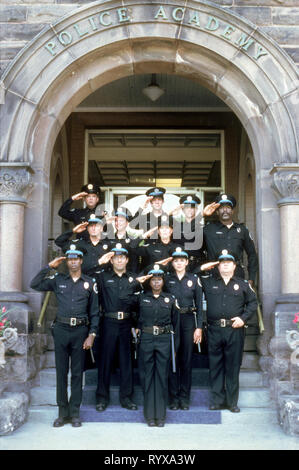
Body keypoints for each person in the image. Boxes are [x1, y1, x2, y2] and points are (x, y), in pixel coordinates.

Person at [30, 243, 99, 427]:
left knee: (77, 373)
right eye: (70, 259)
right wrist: (49, 267)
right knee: (61, 373)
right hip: (61, 330)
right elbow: (34, 284)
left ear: (81, 261)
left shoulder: (90, 283)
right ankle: (62, 413)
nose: (73, 262)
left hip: (80, 332)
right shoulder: (58, 279)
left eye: (76, 259)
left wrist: (92, 334)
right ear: (67, 261)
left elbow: (94, 312)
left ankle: (75, 413)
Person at [199, 250, 257, 412]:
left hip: (234, 330)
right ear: (217, 266)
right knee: (215, 365)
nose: (224, 265)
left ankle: (232, 402)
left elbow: (253, 303)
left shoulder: (243, 284)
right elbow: (194, 274)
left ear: (234, 266)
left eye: (228, 263)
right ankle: (217, 400)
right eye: (221, 263)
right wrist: (207, 266)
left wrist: (243, 318)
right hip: (214, 329)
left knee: (232, 366)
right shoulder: (209, 282)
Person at [94, 244, 141, 412]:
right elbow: (86, 274)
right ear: (111, 260)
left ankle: (126, 398)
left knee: (126, 361)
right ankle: (101, 398)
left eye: (122, 257)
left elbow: (138, 304)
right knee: (105, 360)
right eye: (116, 257)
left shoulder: (134, 279)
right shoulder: (103, 277)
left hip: (127, 324)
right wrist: (99, 262)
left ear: (127, 260)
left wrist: (135, 325)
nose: (119, 260)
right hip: (108, 322)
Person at [133, 265, 180, 427]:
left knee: (161, 377)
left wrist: (175, 348)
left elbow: (177, 324)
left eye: (159, 279)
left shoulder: (170, 299)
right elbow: (133, 314)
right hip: (146, 339)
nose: (156, 282)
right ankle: (149, 417)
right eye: (153, 279)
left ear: (163, 281)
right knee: (147, 377)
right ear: (149, 281)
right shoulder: (141, 298)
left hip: (164, 340)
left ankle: (160, 416)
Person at [164, 247, 203, 410]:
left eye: (182, 260)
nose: (179, 263)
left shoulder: (194, 279)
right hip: (172, 321)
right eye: (176, 261)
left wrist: (199, 327)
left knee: (186, 360)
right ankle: (173, 398)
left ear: (187, 262)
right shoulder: (167, 280)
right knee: (172, 359)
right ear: (172, 263)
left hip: (188, 321)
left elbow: (200, 306)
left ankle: (184, 398)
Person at [202, 193, 258, 285]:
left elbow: (252, 255)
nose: (225, 210)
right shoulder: (208, 230)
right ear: (216, 212)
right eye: (221, 208)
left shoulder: (242, 230)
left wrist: (251, 278)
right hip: (214, 275)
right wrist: (202, 214)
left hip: (237, 275)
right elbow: (188, 238)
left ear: (232, 211)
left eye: (228, 207)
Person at [170, 195, 220, 272]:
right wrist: (170, 213)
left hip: (198, 265)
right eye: (187, 207)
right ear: (182, 209)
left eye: (192, 207)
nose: (189, 210)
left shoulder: (203, 228)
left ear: (196, 209)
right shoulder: (177, 226)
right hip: (180, 266)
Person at [105, 206, 140, 273]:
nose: (118, 223)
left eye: (121, 220)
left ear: (127, 223)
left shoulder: (132, 240)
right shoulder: (109, 239)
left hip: (128, 277)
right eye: (116, 220)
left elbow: (134, 262)